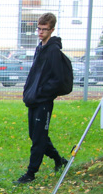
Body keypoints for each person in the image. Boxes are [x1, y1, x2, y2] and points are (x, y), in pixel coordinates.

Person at [17, 12, 68, 185]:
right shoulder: (40, 47)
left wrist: (41, 92)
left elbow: (58, 79)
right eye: (38, 28)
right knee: (36, 135)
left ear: (52, 29)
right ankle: (59, 160)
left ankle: (31, 173)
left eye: (44, 29)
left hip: (43, 101)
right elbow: (35, 73)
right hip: (34, 99)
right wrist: (29, 91)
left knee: (38, 137)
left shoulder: (53, 50)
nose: (40, 32)